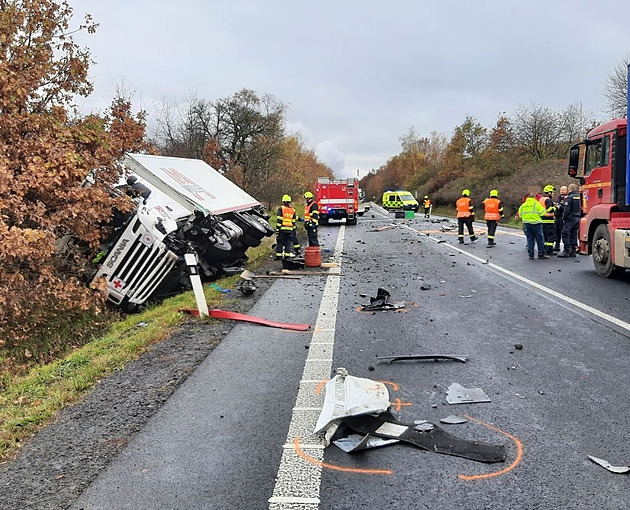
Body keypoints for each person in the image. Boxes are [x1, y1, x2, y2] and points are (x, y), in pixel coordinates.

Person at [518, 193, 548, 260]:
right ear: (534, 197)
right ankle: (541, 254)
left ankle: (531, 255)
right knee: (539, 239)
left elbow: (520, 214)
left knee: (530, 239)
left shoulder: (523, 205)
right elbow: (543, 213)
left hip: (527, 224)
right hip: (536, 223)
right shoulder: (536, 204)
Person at [558, 183, 581, 258]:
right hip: (577, 217)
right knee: (573, 234)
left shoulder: (570, 197)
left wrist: (563, 218)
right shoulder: (579, 197)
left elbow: (567, 209)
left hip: (570, 218)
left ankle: (566, 251)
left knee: (565, 234)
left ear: (569, 189)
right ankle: (573, 250)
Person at [275, 194, 297, 259]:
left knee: (280, 243)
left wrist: (277, 229)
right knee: (288, 243)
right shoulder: (293, 210)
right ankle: (287, 256)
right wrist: (294, 229)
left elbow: (279, 220)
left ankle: (279, 256)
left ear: (283, 201)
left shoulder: (281, 209)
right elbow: (293, 221)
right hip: (290, 229)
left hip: (282, 229)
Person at [540, 185, 557, 256]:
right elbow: (549, 209)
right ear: (549, 193)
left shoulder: (541, 199)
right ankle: (549, 250)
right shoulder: (548, 200)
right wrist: (556, 208)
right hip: (549, 221)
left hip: (542, 220)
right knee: (550, 236)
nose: (553, 194)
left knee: (544, 236)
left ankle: (544, 249)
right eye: (552, 192)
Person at [554, 185, 568, 251]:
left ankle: (566, 247)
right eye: (560, 190)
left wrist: (560, 207)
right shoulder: (559, 197)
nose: (561, 191)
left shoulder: (567, 198)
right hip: (557, 216)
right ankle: (557, 245)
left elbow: (566, 207)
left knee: (564, 232)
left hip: (563, 217)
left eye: (563, 190)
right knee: (557, 232)